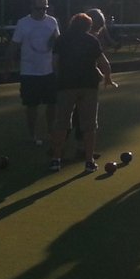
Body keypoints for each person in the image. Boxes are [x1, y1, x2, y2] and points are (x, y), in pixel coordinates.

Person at [49, 13, 117, 172]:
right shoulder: (91, 40)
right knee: (89, 125)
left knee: (61, 124)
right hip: (89, 86)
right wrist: (107, 78)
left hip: (66, 85)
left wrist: (59, 78)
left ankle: (56, 159)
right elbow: (104, 63)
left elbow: (55, 63)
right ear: (88, 26)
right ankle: (89, 161)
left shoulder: (61, 39)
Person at [7, 0, 60, 146]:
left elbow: (58, 41)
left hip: (49, 70)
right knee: (31, 105)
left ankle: (51, 132)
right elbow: (14, 46)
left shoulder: (52, 21)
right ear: (32, 7)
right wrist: (8, 67)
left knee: (52, 103)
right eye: (39, 8)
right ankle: (32, 135)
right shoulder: (23, 23)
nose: (42, 11)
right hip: (29, 71)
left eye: (45, 8)